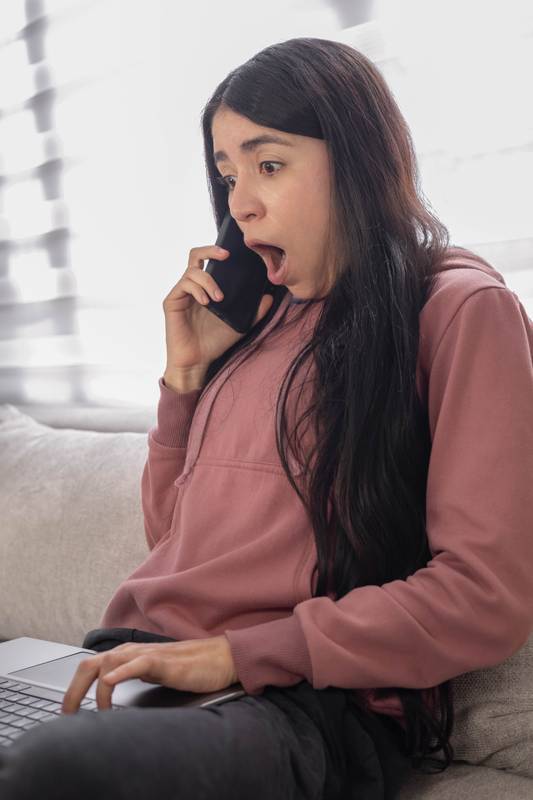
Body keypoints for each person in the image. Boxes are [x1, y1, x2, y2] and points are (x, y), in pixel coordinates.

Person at [1, 36, 532, 800]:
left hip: (297, 704)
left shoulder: (457, 310)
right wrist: (185, 377)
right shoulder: (257, 321)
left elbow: (483, 595)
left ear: (356, 162)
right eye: (227, 174)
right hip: (151, 664)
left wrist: (238, 654)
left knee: (54, 769)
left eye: (269, 164)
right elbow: (175, 540)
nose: (239, 202)